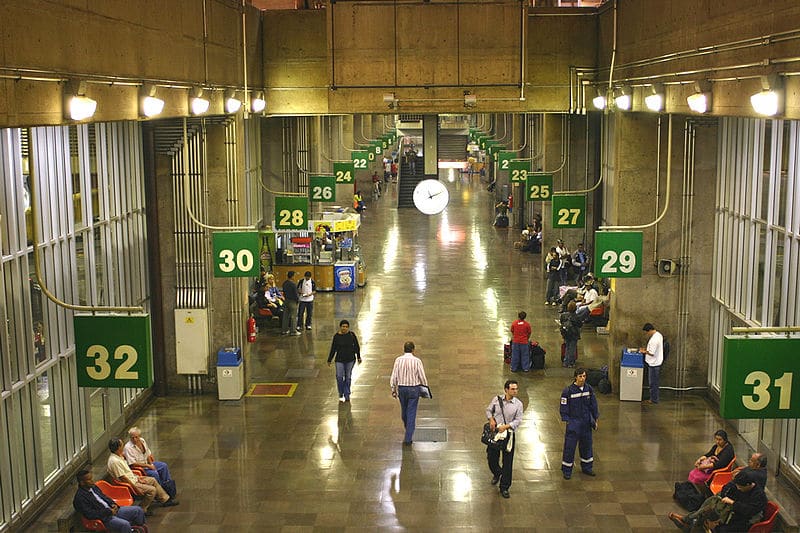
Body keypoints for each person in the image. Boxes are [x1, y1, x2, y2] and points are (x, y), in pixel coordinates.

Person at [669, 470, 767, 532]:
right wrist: (725, 497)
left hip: (744, 520)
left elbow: (749, 511)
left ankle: (690, 523)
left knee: (719, 528)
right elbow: (728, 487)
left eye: (740, 487)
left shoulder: (759, 495)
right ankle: (690, 521)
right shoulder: (740, 485)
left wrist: (733, 503)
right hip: (732, 511)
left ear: (748, 485)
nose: (738, 488)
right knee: (708, 509)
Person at [106, 438, 176, 515]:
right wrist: (135, 488)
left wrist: (138, 477)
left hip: (134, 479)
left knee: (152, 480)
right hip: (130, 484)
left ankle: (165, 499)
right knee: (152, 490)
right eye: (122, 444)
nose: (123, 446)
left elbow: (127, 472)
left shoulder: (119, 457)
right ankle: (142, 509)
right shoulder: (114, 461)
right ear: (119, 447)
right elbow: (123, 478)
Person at [73, 469, 146, 532]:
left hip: (113, 510)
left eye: (92, 478)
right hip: (104, 518)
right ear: (82, 483)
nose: (92, 481)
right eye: (89, 480)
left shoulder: (93, 487)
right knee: (125, 525)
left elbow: (104, 497)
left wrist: (113, 504)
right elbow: (90, 514)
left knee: (138, 510)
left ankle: (136, 529)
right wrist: (109, 511)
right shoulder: (80, 498)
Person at [485, 380, 524, 499]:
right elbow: (488, 410)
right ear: (506, 390)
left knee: (507, 461)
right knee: (491, 457)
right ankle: (497, 472)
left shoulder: (518, 404)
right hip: (496, 433)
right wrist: (491, 419)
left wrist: (506, 427)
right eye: (513, 389)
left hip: (508, 435)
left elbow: (518, 420)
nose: (515, 391)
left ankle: (505, 487)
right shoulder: (497, 400)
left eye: (516, 389)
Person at [560, 367, 599, 479]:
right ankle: (567, 470)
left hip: (586, 423)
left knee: (587, 446)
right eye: (580, 376)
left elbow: (593, 404)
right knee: (570, 447)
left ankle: (587, 467)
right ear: (575, 377)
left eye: (584, 376)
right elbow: (563, 407)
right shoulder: (568, 391)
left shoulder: (589, 389)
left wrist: (595, 418)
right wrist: (567, 420)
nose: (582, 378)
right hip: (574, 423)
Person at [389, 341, 428, 446]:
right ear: (413, 349)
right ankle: (408, 435)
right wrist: (425, 388)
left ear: (404, 349)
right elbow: (422, 376)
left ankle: (408, 432)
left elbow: (394, 375)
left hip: (402, 389)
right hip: (414, 389)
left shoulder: (398, 360)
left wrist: (393, 389)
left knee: (404, 412)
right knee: (411, 412)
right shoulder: (417, 361)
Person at [123, 426, 177, 499]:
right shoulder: (128, 447)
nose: (135, 439)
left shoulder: (142, 441)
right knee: (154, 473)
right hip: (141, 468)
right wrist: (149, 466)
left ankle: (168, 486)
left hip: (147, 463)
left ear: (140, 436)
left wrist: (151, 463)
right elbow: (133, 463)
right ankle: (161, 493)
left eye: (136, 437)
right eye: (132, 438)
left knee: (163, 466)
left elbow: (148, 453)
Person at [327, 319, 361, 402]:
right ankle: (341, 391)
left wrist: (358, 357)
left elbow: (356, 346)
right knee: (339, 377)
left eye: (346, 327)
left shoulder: (352, 335)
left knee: (348, 377)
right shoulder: (336, 336)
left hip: (350, 360)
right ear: (340, 327)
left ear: (348, 328)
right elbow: (333, 348)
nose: (344, 328)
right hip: (339, 360)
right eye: (343, 326)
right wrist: (329, 359)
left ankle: (347, 393)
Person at [639, 323, 664, 404]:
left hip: (653, 364)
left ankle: (653, 399)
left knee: (652, 383)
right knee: (655, 382)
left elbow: (651, 353)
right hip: (657, 361)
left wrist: (643, 351)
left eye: (647, 332)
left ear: (649, 330)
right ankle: (654, 398)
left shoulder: (654, 340)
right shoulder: (658, 335)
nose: (647, 334)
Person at [560, 301, 582, 367]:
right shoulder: (576, 317)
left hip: (566, 333)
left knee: (567, 347)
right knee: (572, 348)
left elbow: (561, 322)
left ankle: (566, 361)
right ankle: (571, 362)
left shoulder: (563, 315)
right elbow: (580, 324)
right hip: (574, 334)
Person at [281, 271, 300, 336]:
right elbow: (295, 294)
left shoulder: (284, 283)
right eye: (294, 276)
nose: (295, 277)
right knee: (293, 317)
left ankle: (284, 330)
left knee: (285, 316)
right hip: (293, 301)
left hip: (286, 301)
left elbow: (284, 292)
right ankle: (293, 331)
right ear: (292, 276)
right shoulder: (293, 284)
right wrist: (297, 300)